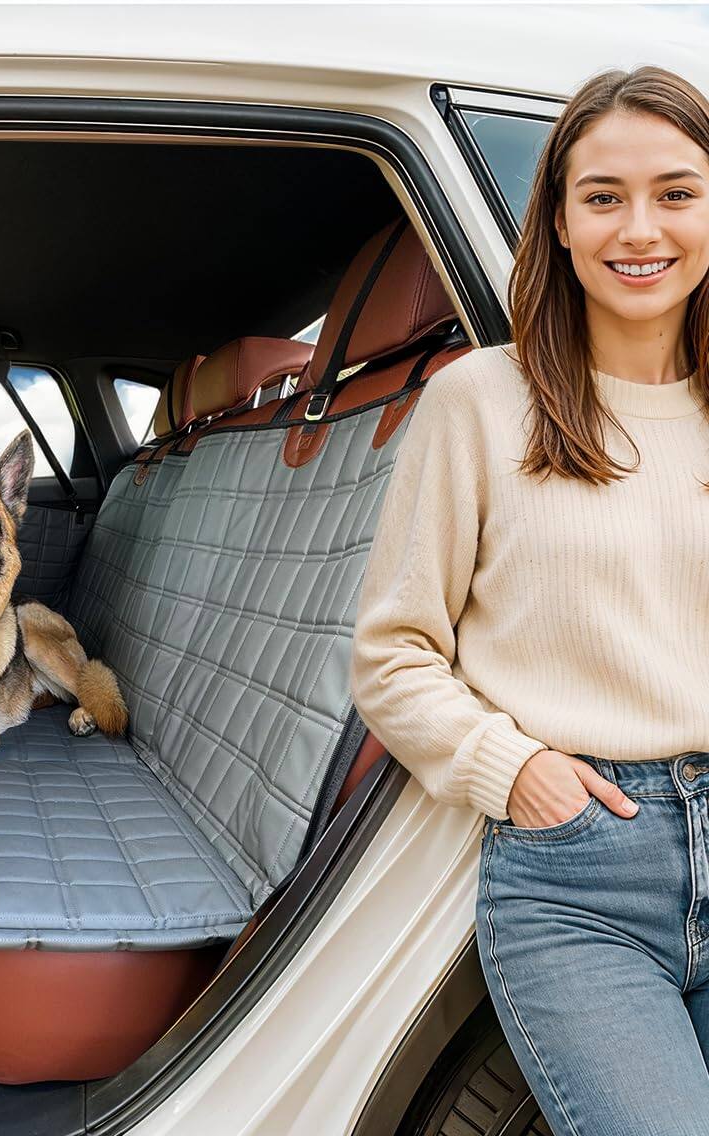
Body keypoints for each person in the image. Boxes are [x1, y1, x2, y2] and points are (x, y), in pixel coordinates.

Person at [350, 65, 709, 1135]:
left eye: (676, 193)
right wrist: (514, 771)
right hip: (583, 871)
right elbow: (392, 654)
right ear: (556, 220)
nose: (638, 228)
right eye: (602, 196)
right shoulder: (479, 400)